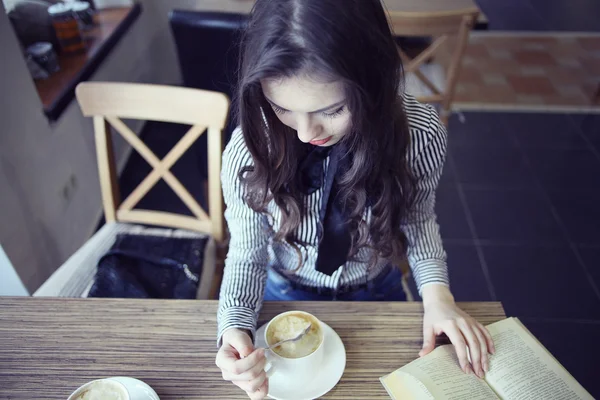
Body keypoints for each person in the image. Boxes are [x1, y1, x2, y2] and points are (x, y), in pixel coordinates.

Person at [214, 0, 495, 398]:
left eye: (333, 109)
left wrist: (438, 298)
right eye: (282, 108)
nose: (304, 132)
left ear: (372, 82)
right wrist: (233, 328)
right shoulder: (251, 149)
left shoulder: (419, 134)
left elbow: (418, 220)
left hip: (378, 292)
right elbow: (247, 250)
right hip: (284, 297)